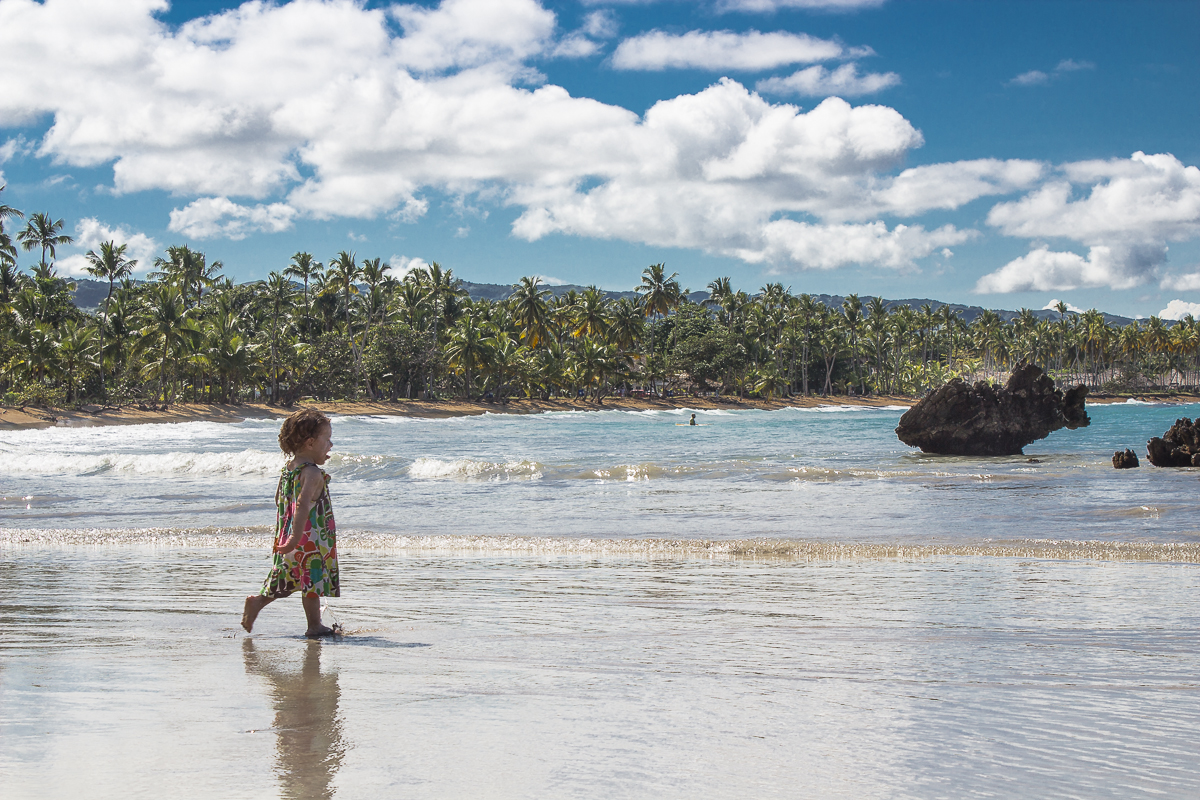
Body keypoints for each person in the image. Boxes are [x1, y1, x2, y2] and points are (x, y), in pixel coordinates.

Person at [242, 408, 340, 638]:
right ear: (310, 443)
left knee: (289, 578)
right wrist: (297, 538)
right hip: (308, 538)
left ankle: (257, 602)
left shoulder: (289, 469)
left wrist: (288, 534)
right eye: (327, 439)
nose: (331, 445)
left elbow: (279, 500)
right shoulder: (313, 473)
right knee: (311, 580)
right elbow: (303, 505)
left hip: (289, 534)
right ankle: (314, 625)